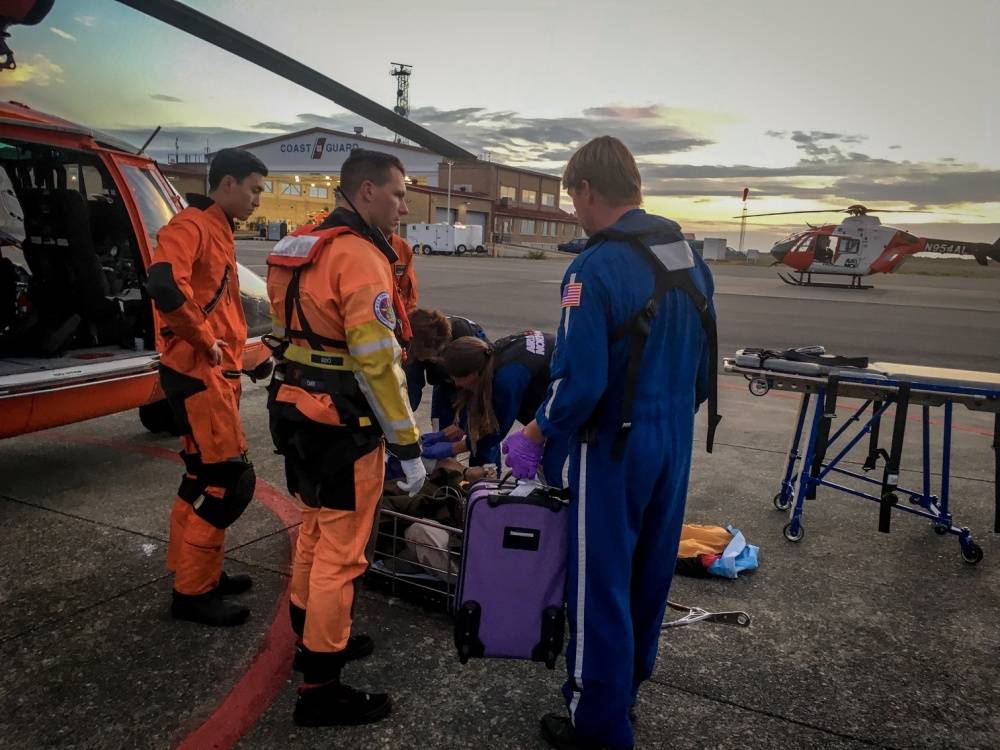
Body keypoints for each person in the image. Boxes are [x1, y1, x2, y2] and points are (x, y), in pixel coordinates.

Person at [501, 136, 718, 750]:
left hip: (612, 446)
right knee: (649, 576)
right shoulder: (688, 257)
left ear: (587, 190)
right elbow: (706, 367)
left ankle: (596, 723)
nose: (574, 210)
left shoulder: (593, 267)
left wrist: (538, 433)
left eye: (573, 197)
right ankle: (625, 695)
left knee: (599, 585)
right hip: (672, 438)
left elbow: (580, 380)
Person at [264, 148, 426, 727]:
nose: (405, 205)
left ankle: (313, 642)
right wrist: (407, 444)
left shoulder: (302, 242)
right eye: (399, 193)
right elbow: (378, 360)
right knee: (341, 553)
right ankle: (321, 687)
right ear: (365, 192)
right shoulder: (359, 256)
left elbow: (284, 327)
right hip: (342, 420)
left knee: (313, 530)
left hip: (294, 405)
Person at [146, 148, 268, 627]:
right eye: (255, 189)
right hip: (199, 374)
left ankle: (194, 571)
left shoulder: (217, 228)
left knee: (200, 476)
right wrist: (205, 341)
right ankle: (192, 592)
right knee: (231, 484)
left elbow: (216, 306)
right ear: (229, 183)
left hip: (208, 372)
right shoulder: (192, 224)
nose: (259, 199)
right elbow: (162, 285)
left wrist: (245, 359)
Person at [433, 332, 568, 487]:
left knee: (549, 469)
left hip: (571, 403)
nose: (456, 383)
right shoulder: (489, 355)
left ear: (473, 374)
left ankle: (560, 507)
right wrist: (461, 426)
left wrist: (453, 448)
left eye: (457, 377)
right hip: (556, 382)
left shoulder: (507, 380)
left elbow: (495, 431)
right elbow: (483, 403)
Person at [404, 308, 489, 429]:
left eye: (430, 357)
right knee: (439, 427)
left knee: (475, 427)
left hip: (473, 383)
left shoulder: (468, 339)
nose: (424, 360)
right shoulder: (416, 341)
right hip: (443, 383)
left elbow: (486, 383)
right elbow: (411, 388)